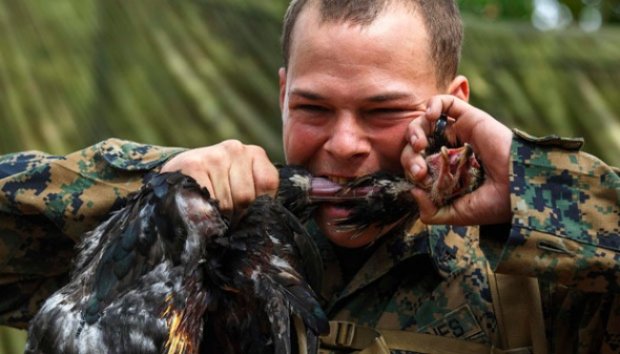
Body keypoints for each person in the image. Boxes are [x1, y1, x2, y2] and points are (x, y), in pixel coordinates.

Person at [0, 0, 618, 353]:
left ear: (450, 102)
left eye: (383, 112)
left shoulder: (536, 281)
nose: (343, 145)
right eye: (313, 108)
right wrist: (158, 198)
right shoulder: (199, 248)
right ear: (282, 95)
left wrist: (535, 190)